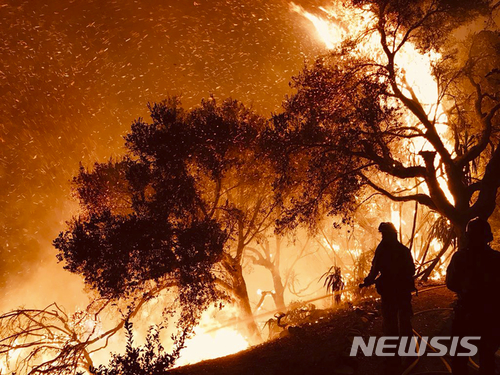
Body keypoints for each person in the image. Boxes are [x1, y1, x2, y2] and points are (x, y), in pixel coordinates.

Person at [446, 217, 500, 375]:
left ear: (468, 236)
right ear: (488, 237)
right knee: (487, 359)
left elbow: (451, 284)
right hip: (490, 316)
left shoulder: (460, 258)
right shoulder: (497, 259)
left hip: (466, 315)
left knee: (460, 359)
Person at [361, 222, 416, 339]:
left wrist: (368, 280)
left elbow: (375, 269)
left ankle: (392, 349)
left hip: (389, 291)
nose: (382, 237)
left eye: (383, 234)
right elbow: (412, 270)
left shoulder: (382, 250)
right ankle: (408, 349)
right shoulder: (403, 250)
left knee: (390, 319)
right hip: (403, 290)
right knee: (405, 319)